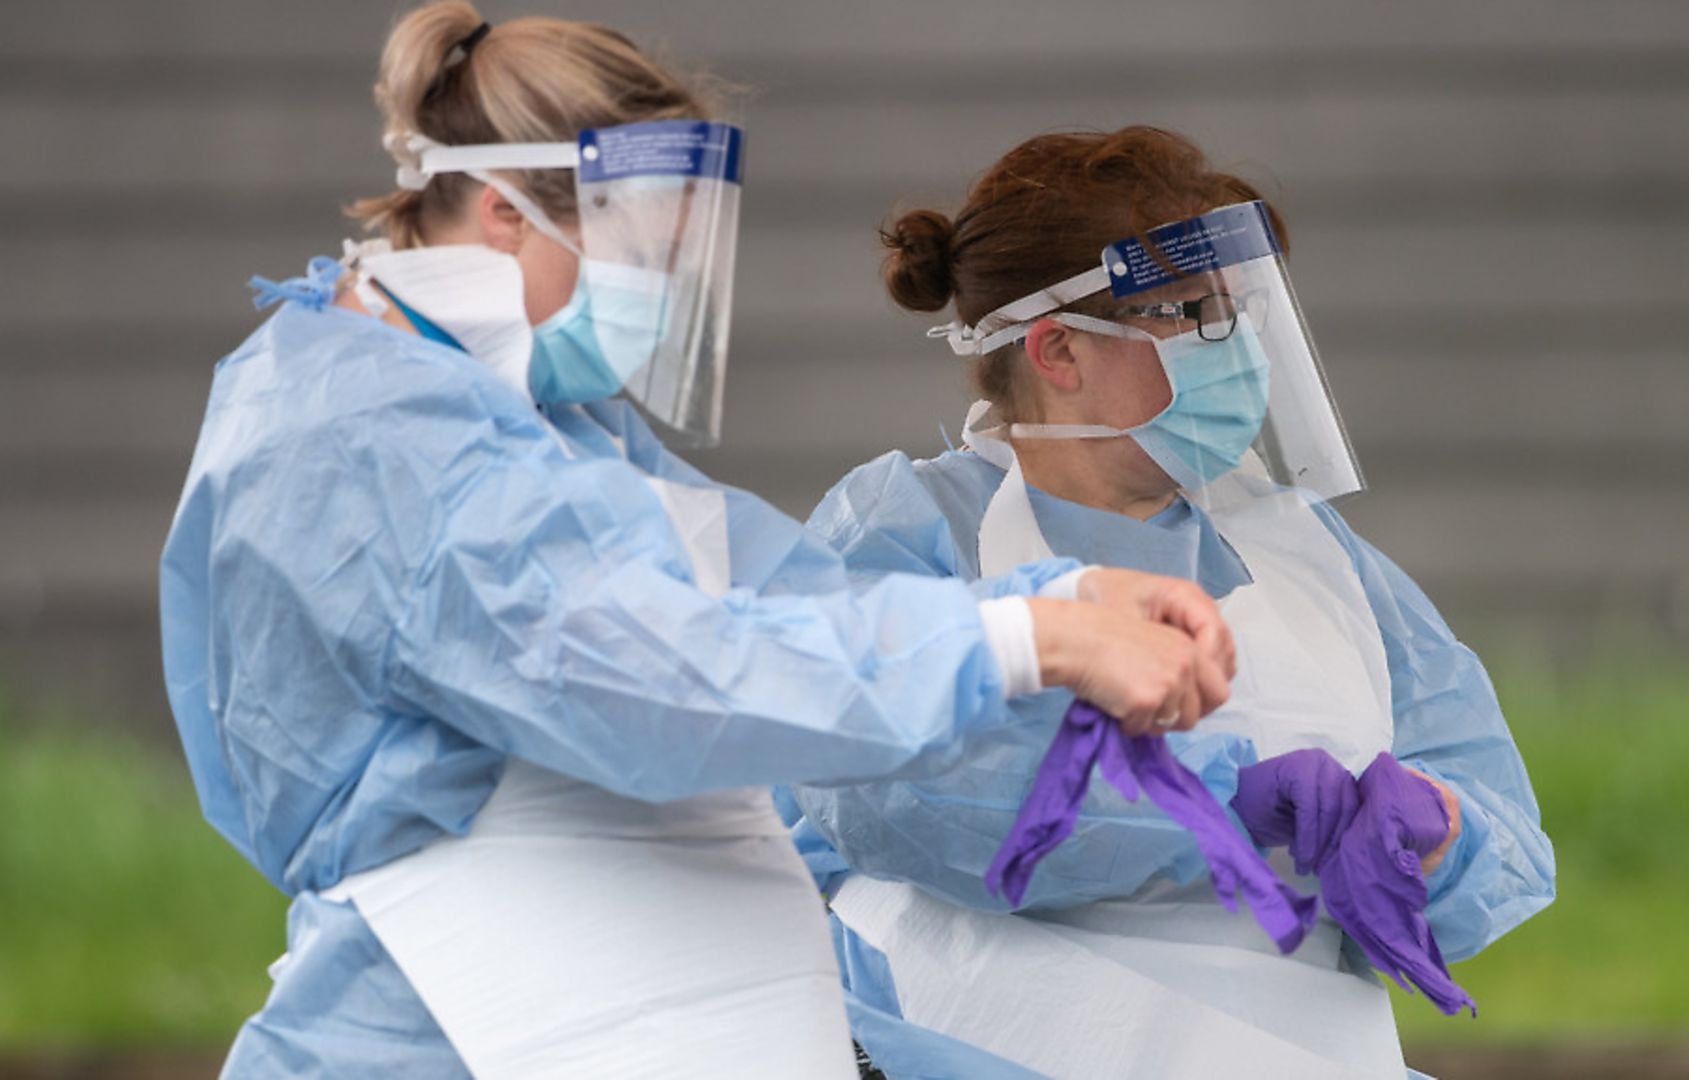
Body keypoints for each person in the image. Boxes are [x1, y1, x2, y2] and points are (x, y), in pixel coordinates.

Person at [158, 8, 1236, 1075]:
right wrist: (1019, 638)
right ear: (501, 214)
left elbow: (773, 603)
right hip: (471, 1006)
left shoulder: (535, 417)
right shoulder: (373, 438)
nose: (661, 298)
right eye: (641, 257)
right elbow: (678, 677)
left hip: (620, 990)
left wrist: (1074, 593)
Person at [787, 127, 1557, 1080]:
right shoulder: (908, 530)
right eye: (1189, 315)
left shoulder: (1313, 557)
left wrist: (1435, 833)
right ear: (1058, 348)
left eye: (1233, 313)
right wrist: (1229, 806)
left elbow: (1502, 841)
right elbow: (886, 785)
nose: (1233, 352)